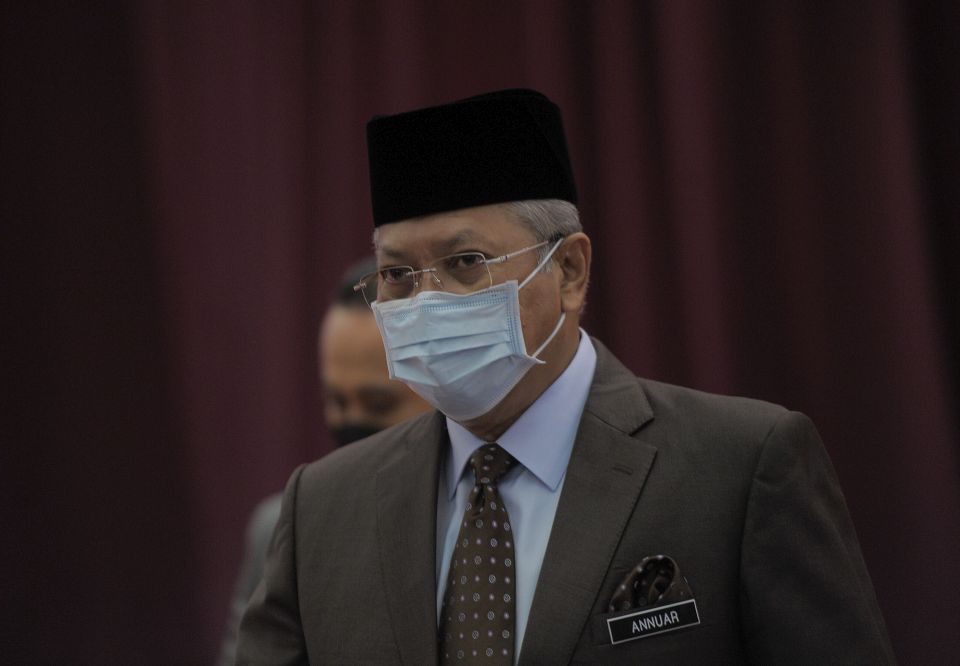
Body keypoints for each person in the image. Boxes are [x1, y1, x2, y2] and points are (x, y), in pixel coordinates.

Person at [236, 89, 895, 664]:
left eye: (466, 262)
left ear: (571, 271)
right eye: (399, 274)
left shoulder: (739, 468)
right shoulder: (323, 508)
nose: (426, 300)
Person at [217, 258, 429, 665]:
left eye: (378, 403)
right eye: (336, 401)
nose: (351, 422)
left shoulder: (484, 525)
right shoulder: (280, 531)